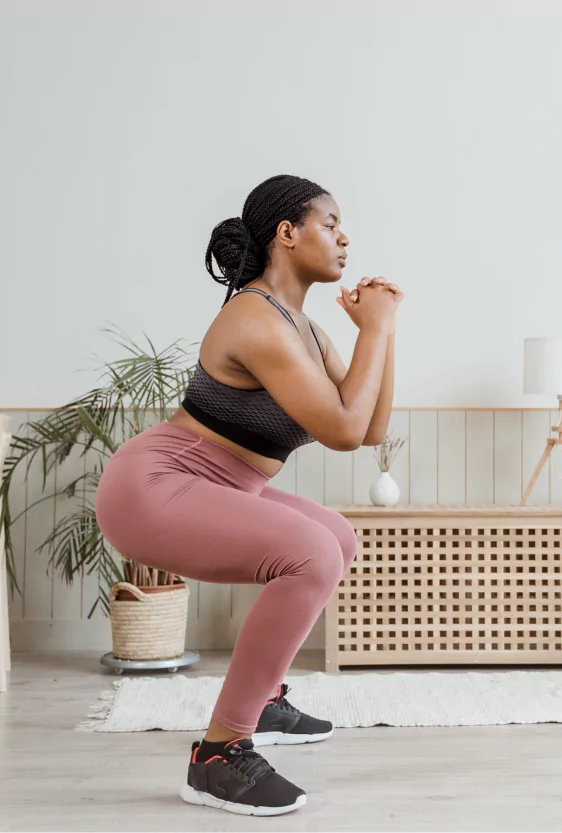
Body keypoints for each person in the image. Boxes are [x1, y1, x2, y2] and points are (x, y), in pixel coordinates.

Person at [94, 174, 401, 817]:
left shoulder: (307, 330)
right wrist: (373, 329)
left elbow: (370, 426)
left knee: (336, 539)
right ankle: (218, 754)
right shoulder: (254, 319)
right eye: (330, 222)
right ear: (286, 234)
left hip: (221, 483)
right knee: (312, 554)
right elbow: (343, 431)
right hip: (157, 485)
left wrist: (384, 332)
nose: (345, 237)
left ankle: (261, 701)